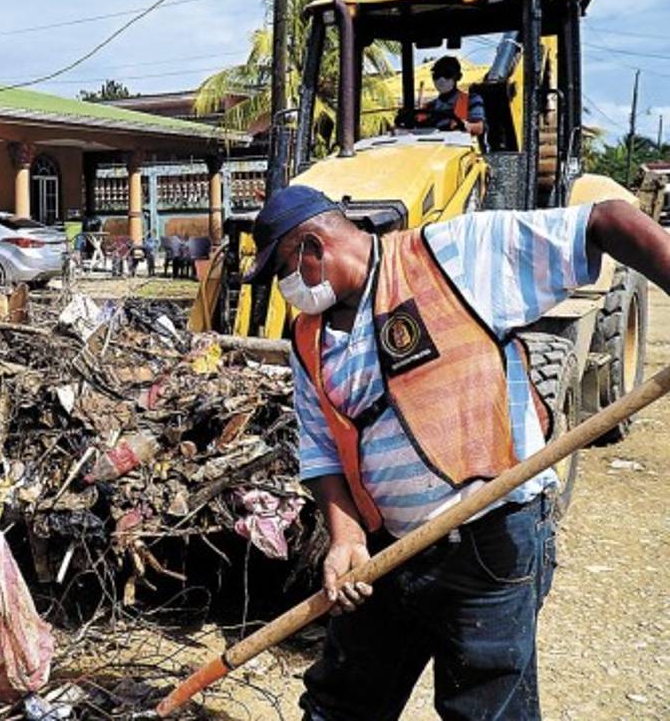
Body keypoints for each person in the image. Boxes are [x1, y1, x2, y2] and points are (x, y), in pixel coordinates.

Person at [244, 185, 670, 719]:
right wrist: (347, 538)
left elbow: (607, 221)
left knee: (485, 707)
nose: (286, 290)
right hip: (385, 550)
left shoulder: (451, 256)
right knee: (340, 703)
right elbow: (323, 449)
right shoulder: (309, 337)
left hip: (490, 539)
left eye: (282, 272)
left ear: (312, 247)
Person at [412, 55, 486, 136]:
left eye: (447, 74)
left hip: (461, 145)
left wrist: (467, 126)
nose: (441, 79)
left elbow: (479, 127)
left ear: (458, 76)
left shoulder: (471, 99)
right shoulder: (430, 106)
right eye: (436, 75)